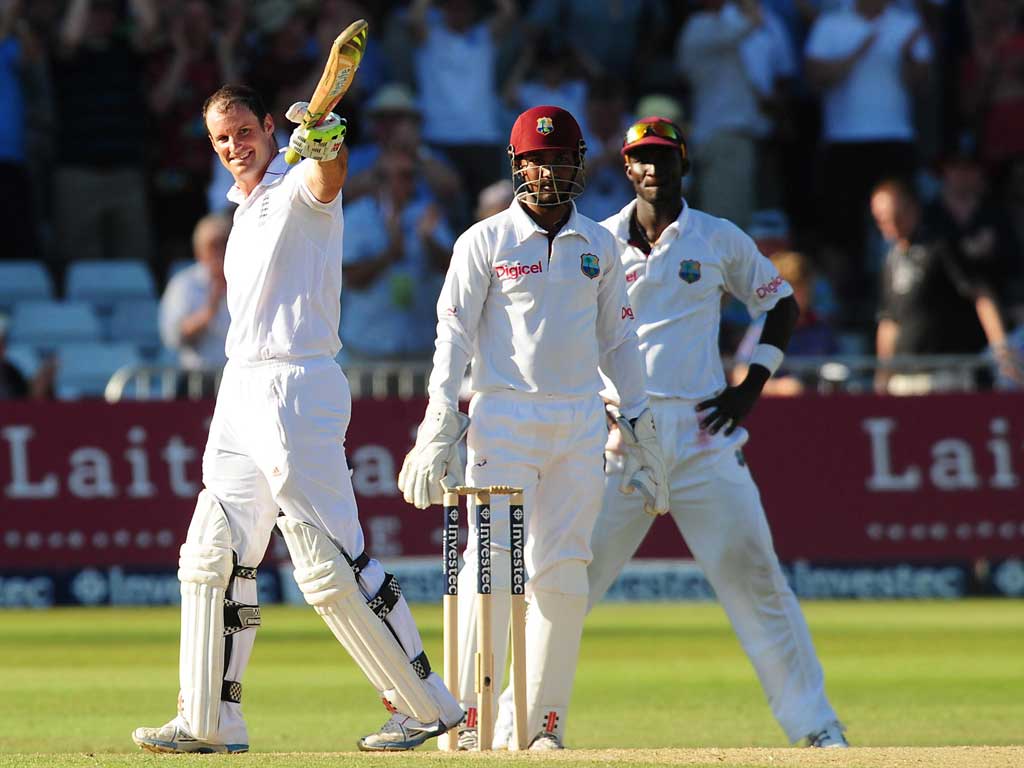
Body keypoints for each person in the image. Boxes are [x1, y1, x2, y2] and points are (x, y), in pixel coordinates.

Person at [132, 74, 463, 757]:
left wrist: (329, 144)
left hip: (294, 386)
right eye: (221, 139)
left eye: (244, 133)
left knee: (328, 561)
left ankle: (425, 705)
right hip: (240, 386)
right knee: (212, 555)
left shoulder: (300, 185)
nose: (234, 148)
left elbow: (329, 177)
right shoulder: (242, 208)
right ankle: (207, 720)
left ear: (271, 132)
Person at [499, 116, 848, 748]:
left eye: (663, 156)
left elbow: (782, 304)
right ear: (626, 168)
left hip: (702, 433)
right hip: (618, 439)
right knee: (563, 580)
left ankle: (817, 727)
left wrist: (748, 389)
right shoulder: (597, 243)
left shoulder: (717, 238)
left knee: (757, 578)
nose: (652, 168)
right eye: (640, 158)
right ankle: (515, 726)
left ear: (684, 164)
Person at [397, 106, 669, 750]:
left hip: (578, 422)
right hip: (503, 418)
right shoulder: (483, 241)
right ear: (518, 165)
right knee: (488, 568)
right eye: (537, 161)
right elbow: (453, 336)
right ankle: (467, 722)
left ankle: (544, 724)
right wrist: (438, 423)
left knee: (563, 571)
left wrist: (643, 427)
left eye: (560, 159)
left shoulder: (600, 245)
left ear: (578, 164)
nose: (548, 172)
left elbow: (620, 343)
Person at [871, 178, 1021, 394]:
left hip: (945, 373)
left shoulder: (940, 245)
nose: (888, 223)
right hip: (904, 378)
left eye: (895, 215)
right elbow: (888, 321)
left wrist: (1002, 353)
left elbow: (980, 295)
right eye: (880, 219)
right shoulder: (891, 259)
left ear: (912, 208)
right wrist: (883, 374)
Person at [158, 213, 232, 396]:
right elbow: (173, 336)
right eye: (213, 245)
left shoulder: (250, 279)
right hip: (198, 382)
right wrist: (208, 313)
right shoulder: (184, 284)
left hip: (238, 379)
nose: (220, 251)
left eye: (225, 242)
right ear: (199, 251)